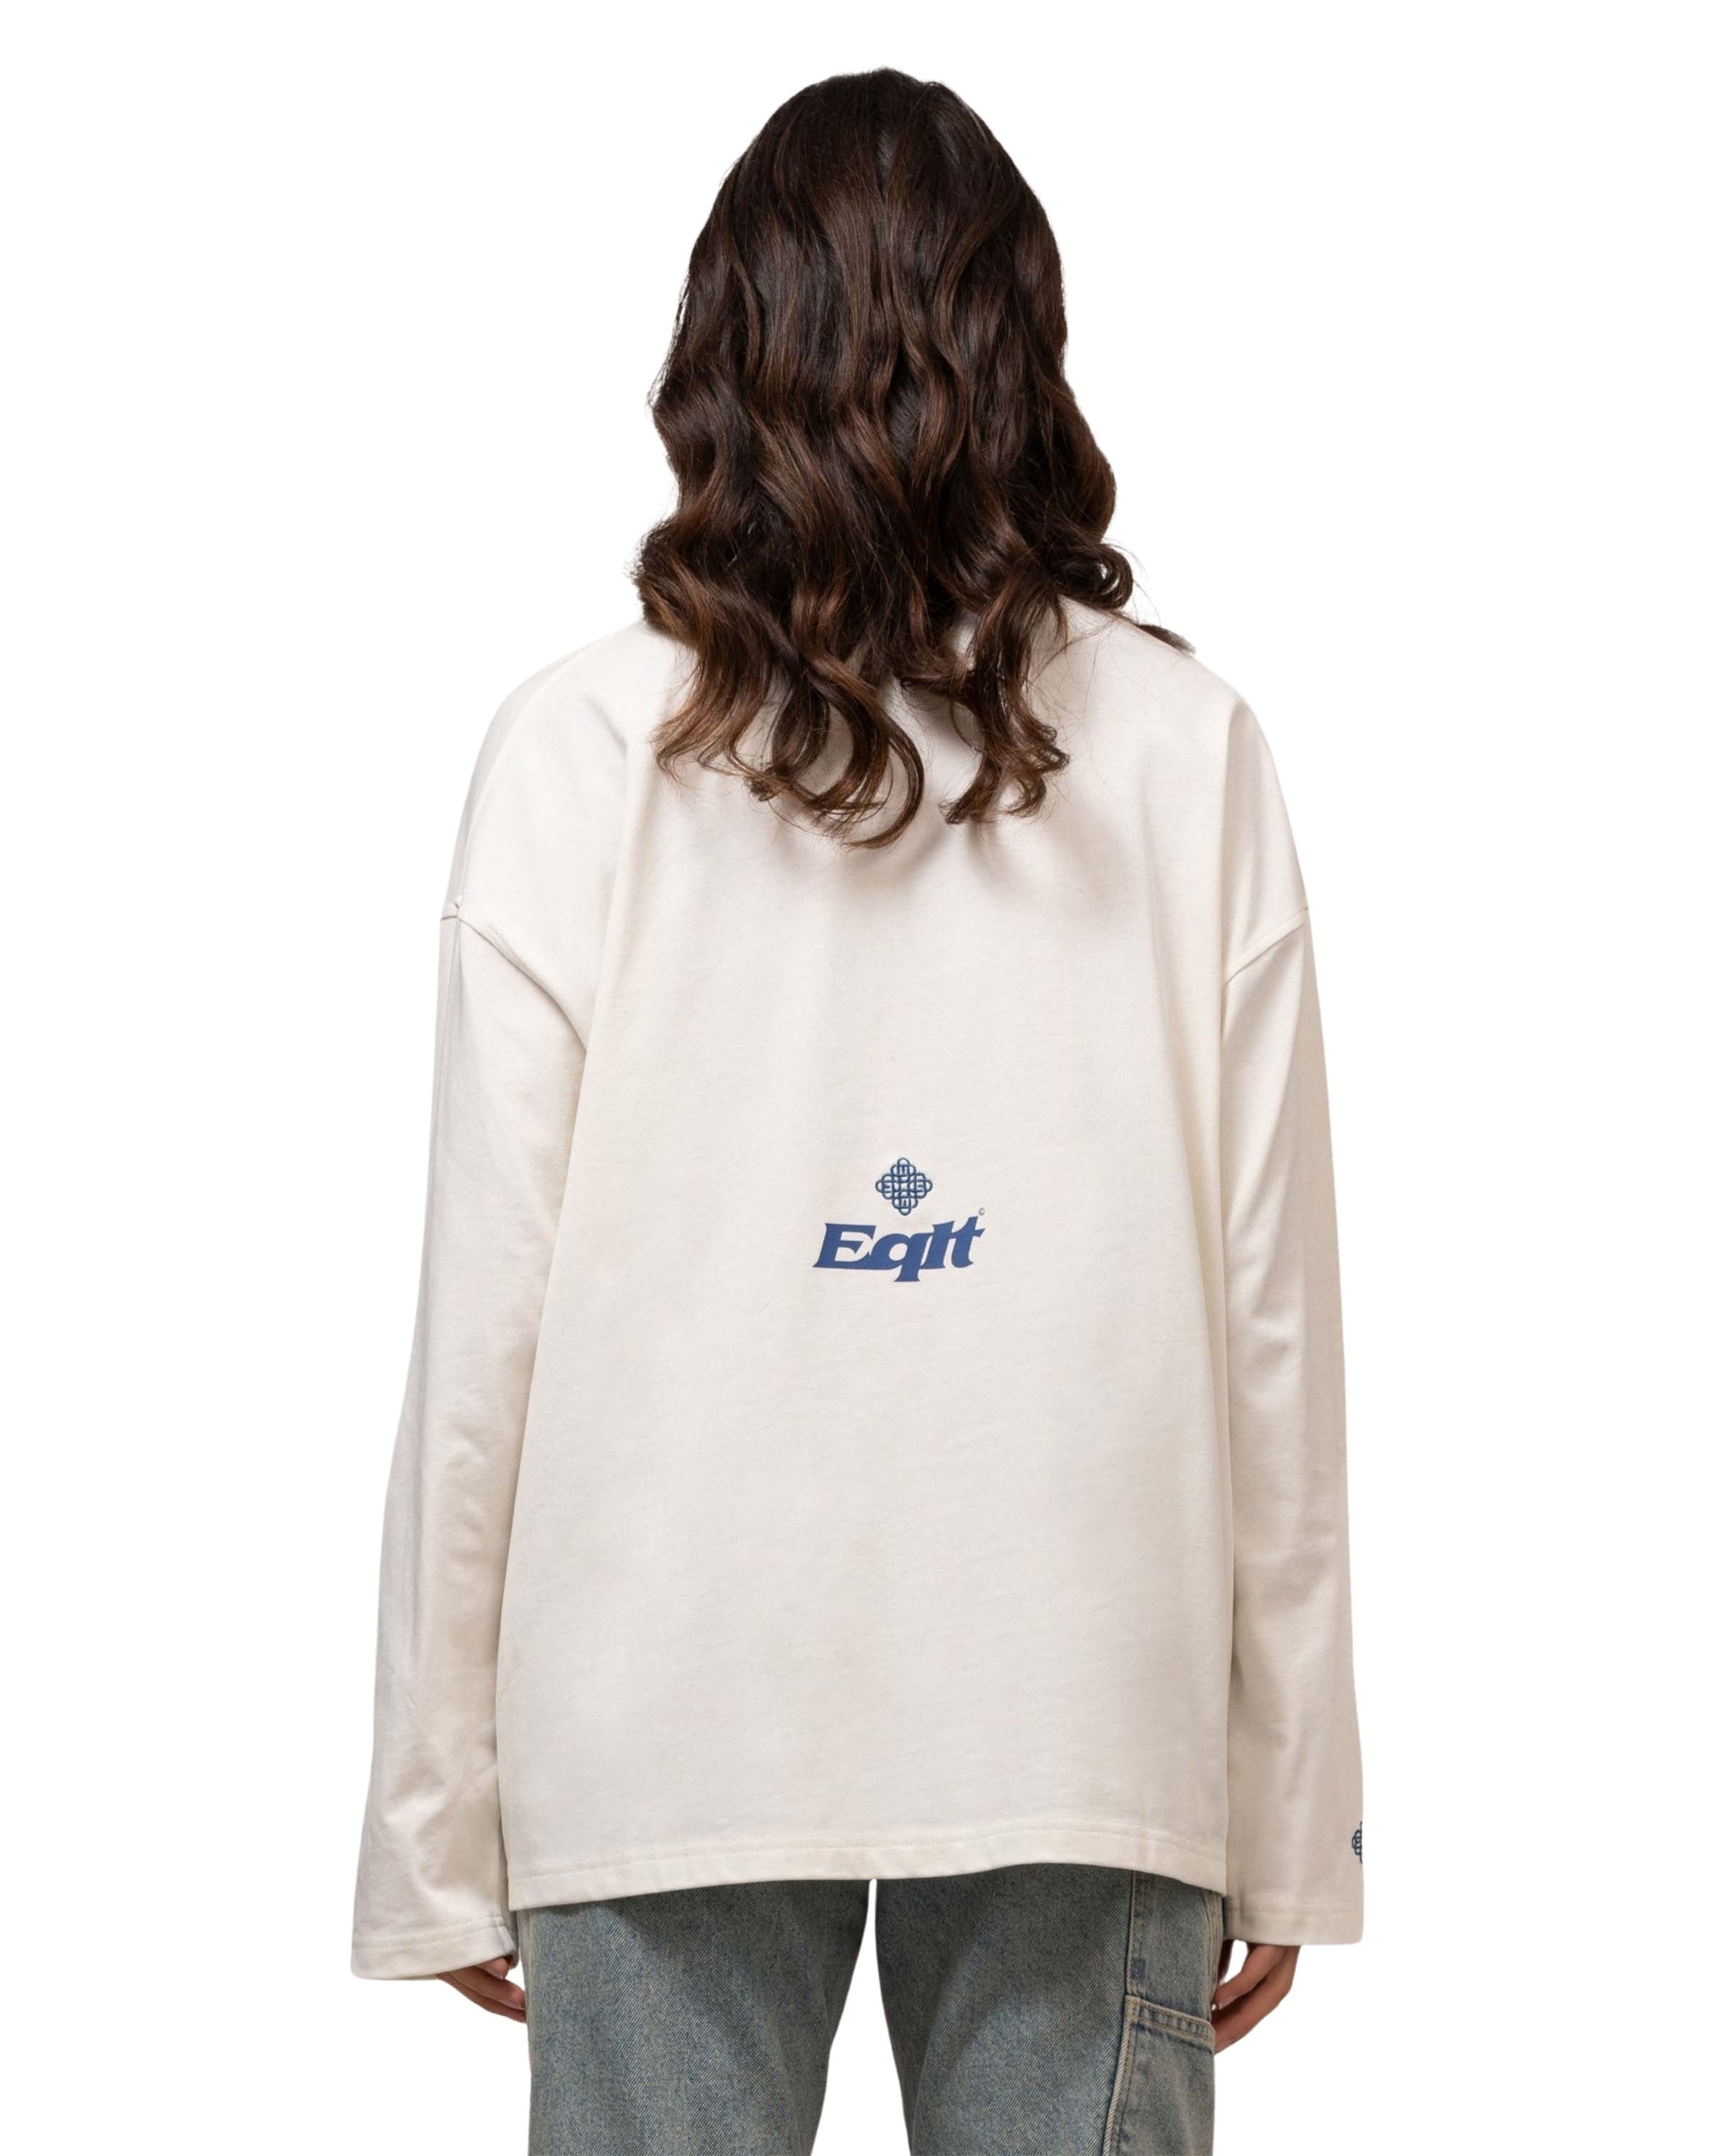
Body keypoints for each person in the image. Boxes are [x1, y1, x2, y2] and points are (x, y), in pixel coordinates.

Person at [352, 68, 1361, 2156]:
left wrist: (434, 1825)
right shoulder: (1185, 752)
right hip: (1082, 1701)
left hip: (660, 1708)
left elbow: (482, 1338)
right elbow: (1275, 1325)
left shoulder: (579, 749)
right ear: (1027, 350)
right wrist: (1291, 1812)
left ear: (723, 348)